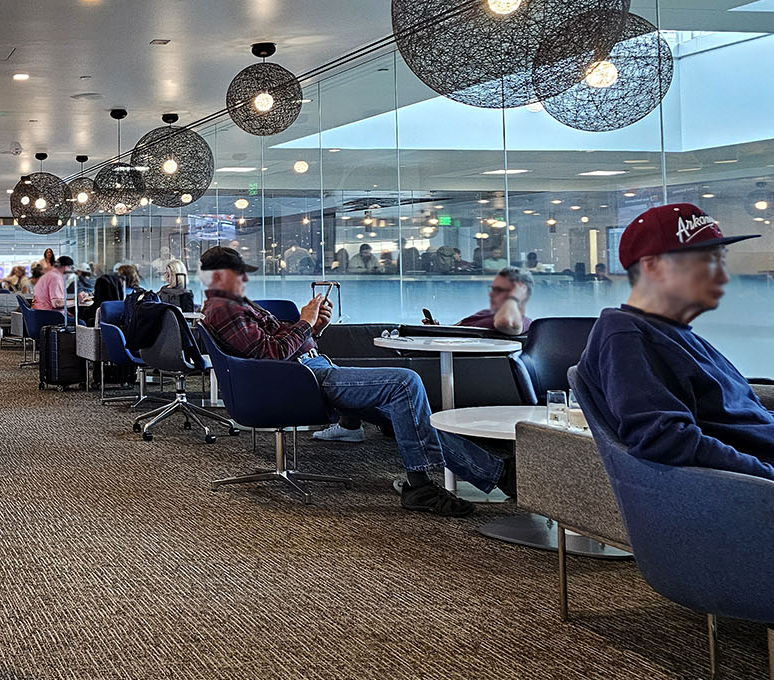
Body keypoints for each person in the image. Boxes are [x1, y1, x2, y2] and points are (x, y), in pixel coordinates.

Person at [199, 246, 509, 516]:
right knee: (404, 383)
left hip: (307, 370)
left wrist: (313, 328)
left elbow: (277, 339)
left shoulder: (235, 304)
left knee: (405, 411)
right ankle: (421, 484)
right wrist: (305, 321)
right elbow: (271, 354)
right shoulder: (224, 308)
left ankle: (495, 473)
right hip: (301, 379)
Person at [578, 203, 774, 480]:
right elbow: (665, 439)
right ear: (652, 266)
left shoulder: (679, 334)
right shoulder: (625, 335)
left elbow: (743, 414)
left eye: (723, 260)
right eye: (709, 260)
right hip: (751, 494)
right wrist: (766, 474)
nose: (723, 276)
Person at [318, 266, 535, 443]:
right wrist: (438, 328)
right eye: (494, 288)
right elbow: (458, 330)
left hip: (449, 365)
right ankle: (355, 424)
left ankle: (364, 424)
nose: (492, 293)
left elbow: (508, 323)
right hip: (436, 355)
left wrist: (514, 299)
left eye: (500, 289)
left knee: (348, 373)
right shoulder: (486, 314)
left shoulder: (517, 317)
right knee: (343, 366)